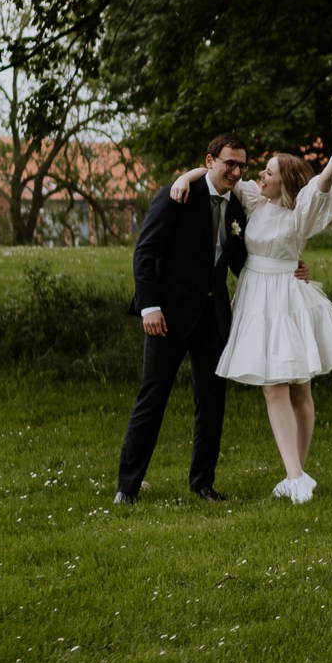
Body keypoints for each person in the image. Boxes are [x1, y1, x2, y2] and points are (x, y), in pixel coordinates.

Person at [170, 112, 332, 504]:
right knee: (273, 387)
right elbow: (218, 174)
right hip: (256, 297)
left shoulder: (301, 210)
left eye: (269, 171)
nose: (259, 174)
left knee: (298, 389)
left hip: (287, 298)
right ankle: (296, 476)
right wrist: (186, 176)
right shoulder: (254, 200)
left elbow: (326, 175)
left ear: (286, 180)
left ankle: (296, 474)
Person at [116, 133, 254, 505]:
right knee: (152, 398)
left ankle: (203, 483)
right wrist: (149, 306)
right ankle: (127, 487)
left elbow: (241, 261)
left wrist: (286, 273)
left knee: (212, 402)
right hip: (168, 316)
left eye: (242, 164)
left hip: (213, 317)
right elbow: (145, 253)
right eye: (230, 163)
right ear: (210, 161)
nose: (237, 171)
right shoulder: (177, 195)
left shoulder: (238, 207)